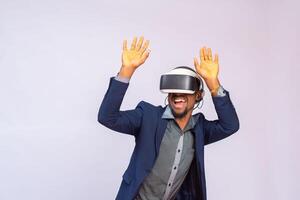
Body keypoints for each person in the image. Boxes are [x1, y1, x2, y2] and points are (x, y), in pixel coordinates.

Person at [98, 36, 239, 200]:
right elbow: (107, 117)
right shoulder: (148, 117)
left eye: (185, 91)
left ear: (198, 95)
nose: (178, 94)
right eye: (173, 91)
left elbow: (230, 125)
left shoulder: (199, 128)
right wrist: (126, 71)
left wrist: (213, 84)